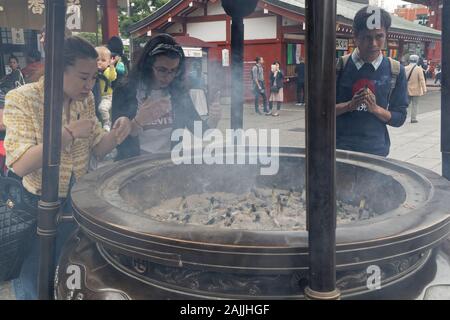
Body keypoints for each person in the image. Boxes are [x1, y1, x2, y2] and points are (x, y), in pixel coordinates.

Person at [3, 36, 132, 300]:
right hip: (34, 205)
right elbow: (20, 163)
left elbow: (99, 146)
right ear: (57, 69)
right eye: (83, 77)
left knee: (67, 270)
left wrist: (126, 128)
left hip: (75, 202)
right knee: (33, 278)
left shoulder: (83, 101)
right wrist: (68, 133)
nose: (90, 86)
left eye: (94, 78)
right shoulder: (22, 98)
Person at [111, 34, 221, 160]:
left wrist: (213, 119)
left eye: (173, 70)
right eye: (162, 70)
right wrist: (138, 122)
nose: (168, 76)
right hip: (133, 164)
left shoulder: (178, 93)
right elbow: (117, 141)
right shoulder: (125, 91)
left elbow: (199, 131)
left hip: (167, 163)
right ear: (147, 66)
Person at [335, 6, 409, 157]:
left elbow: (399, 117)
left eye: (379, 36)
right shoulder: (338, 67)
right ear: (355, 36)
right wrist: (350, 105)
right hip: (339, 149)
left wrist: (375, 109)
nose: (374, 43)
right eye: (367, 37)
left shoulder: (395, 70)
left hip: (377, 150)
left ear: (386, 35)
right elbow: (320, 111)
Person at [96, 46, 117, 131]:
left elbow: (112, 77)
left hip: (107, 96)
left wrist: (112, 66)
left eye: (103, 60)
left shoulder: (108, 70)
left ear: (109, 62)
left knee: (102, 108)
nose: (99, 62)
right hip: (97, 96)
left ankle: (107, 122)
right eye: (97, 60)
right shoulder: (93, 71)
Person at [405, 55, 427, 124]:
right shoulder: (418, 69)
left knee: (405, 105)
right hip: (416, 90)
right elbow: (422, 80)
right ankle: (413, 119)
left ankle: (402, 117)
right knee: (415, 105)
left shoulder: (405, 68)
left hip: (407, 90)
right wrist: (424, 89)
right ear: (417, 60)